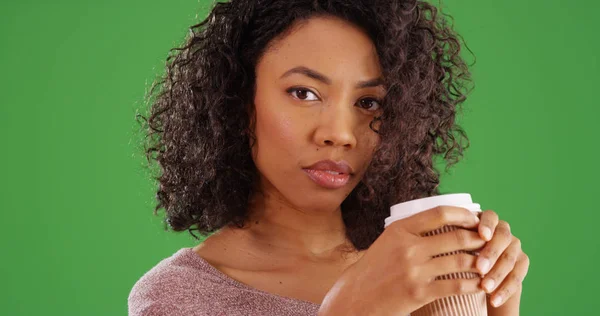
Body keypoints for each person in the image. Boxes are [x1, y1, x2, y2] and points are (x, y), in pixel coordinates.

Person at [128, 0, 530, 315]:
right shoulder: (179, 296)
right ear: (237, 101)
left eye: (369, 102)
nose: (340, 134)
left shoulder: (417, 271)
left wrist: (494, 303)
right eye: (304, 93)